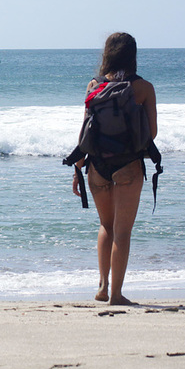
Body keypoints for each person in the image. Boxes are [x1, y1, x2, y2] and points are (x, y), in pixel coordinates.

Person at [71, 32, 157, 306]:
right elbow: (152, 134)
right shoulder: (143, 88)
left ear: (107, 54)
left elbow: (85, 131)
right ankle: (117, 295)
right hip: (128, 166)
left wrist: (78, 169)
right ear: (133, 55)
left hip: (97, 166)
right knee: (122, 231)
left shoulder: (94, 84)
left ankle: (102, 287)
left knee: (105, 226)